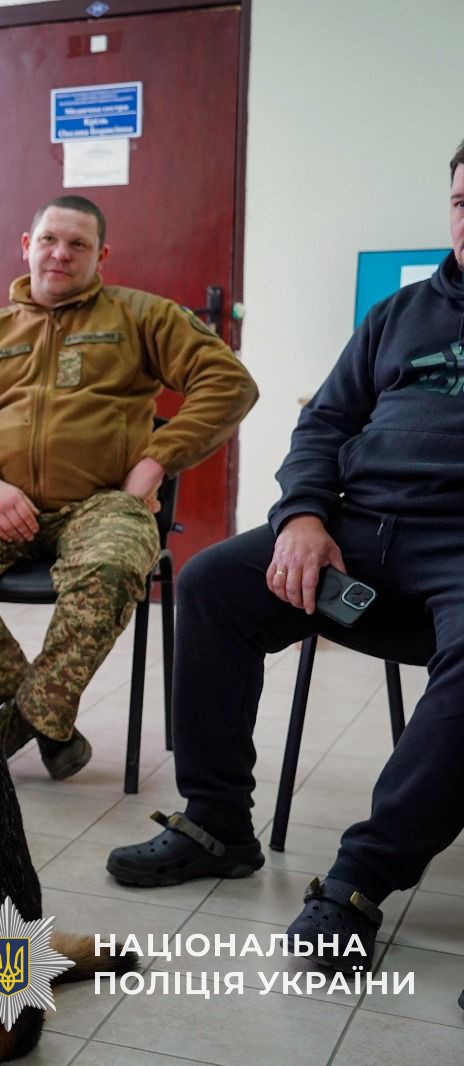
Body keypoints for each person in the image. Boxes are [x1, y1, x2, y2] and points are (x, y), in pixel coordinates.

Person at [107, 140, 464, 972]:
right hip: (356, 530)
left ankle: (359, 881)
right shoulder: (400, 313)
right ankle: (216, 823)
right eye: (461, 201)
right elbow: (325, 423)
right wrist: (303, 514)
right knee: (213, 584)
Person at [0, 194, 258, 779]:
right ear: (27, 245)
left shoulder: (141, 316)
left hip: (102, 505)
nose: (60, 254)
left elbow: (229, 383)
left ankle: (11, 727)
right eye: (49, 240)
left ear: (102, 255)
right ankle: (47, 717)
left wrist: (157, 461)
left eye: (78, 244)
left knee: (114, 564)